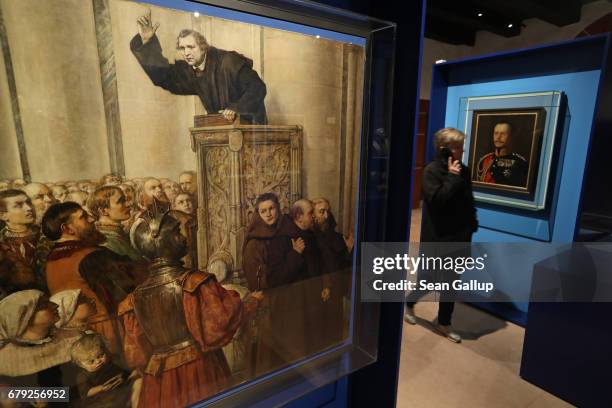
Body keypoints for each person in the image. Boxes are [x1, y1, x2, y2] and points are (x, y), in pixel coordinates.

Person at [119, 209, 262, 407]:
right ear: (163, 241)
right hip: (197, 370)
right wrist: (250, 303)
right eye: (177, 232)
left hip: (158, 381)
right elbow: (219, 324)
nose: (183, 237)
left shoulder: (132, 300)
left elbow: (137, 355)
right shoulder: (195, 283)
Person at [405, 128, 478, 343]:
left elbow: (468, 201)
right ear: (443, 148)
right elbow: (437, 202)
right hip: (438, 236)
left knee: (451, 282)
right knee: (430, 279)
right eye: (457, 146)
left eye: (462, 145)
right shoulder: (431, 171)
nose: (462, 150)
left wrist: (472, 225)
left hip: (460, 236)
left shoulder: (463, 170)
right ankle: (409, 303)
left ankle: (444, 322)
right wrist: (453, 178)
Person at [130, 9, 267, 124]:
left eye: (191, 47)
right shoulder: (191, 70)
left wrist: (235, 108)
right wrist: (147, 42)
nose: (186, 53)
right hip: (221, 133)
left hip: (251, 131)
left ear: (203, 48)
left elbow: (258, 88)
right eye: (182, 48)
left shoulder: (228, 62)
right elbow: (164, 77)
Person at [43, 202, 141, 354]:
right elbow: (130, 288)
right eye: (83, 217)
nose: (91, 220)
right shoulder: (92, 257)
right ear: (67, 229)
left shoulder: (51, 259)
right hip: (107, 334)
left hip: (76, 336)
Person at [0, 290, 82, 378]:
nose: (56, 305)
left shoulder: (74, 336)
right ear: (23, 318)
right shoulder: (6, 360)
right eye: (44, 305)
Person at [311, 197, 353, 345]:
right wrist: (325, 284)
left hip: (336, 290)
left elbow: (343, 264)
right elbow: (315, 266)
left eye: (327, 211)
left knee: (334, 333)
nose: (326, 216)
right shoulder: (310, 238)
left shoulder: (336, 237)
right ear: (313, 215)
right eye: (321, 212)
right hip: (318, 291)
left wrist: (349, 249)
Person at [0, 189, 51, 293]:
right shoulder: (2, 244)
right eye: (18, 205)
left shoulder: (47, 234)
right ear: (3, 215)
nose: (28, 208)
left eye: (28, 203)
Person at [70, 333, 139, 408]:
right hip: (103, 400)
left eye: (101, 355)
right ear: (81, 365)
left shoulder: (113, 361)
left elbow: (130, 371)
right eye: (91, 361)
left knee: (138, 383)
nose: (98, 361)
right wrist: (101, 388)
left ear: (105, 350)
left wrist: (131, 375)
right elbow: (87, 393)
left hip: (123, 391)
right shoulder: (83, 376)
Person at [88, 186, 143, 261]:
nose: (128, 204)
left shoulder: (118, 233)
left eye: (125, 200)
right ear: (103, 211)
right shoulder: (106, 241)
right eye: (121, 201)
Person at [476, 122, 528, 187]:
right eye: (496, 133)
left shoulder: (520, 163)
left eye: (503, 134)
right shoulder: (485, 160)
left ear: (511, 136)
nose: (498, 137)